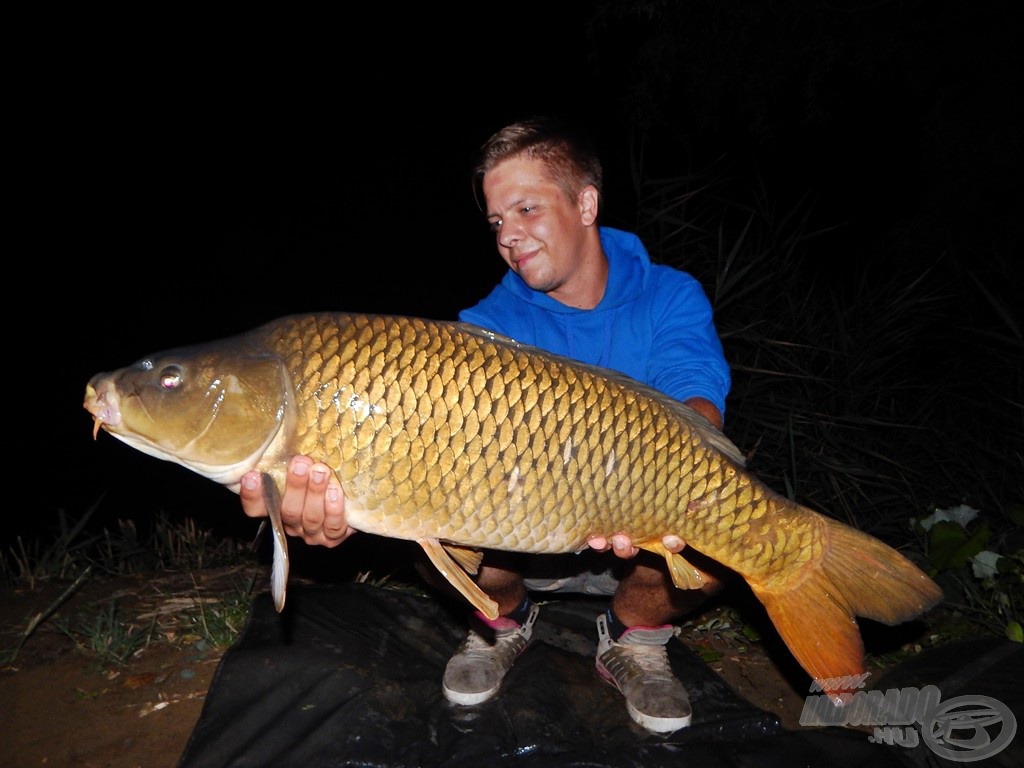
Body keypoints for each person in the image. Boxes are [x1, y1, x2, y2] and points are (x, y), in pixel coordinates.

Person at [239, 116, 732, 734]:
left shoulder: (669, 295)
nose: (510, 236)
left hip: (638, 539)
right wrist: (333, 507)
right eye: (498, 221)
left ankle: (635, 639)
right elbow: (416, 466)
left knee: (725, 529)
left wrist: (660, 492)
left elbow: (699, 404)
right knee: (432, 528)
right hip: (528, 537)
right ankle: (502, 623)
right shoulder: (484, 330)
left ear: (586, 203)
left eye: (526, 210)